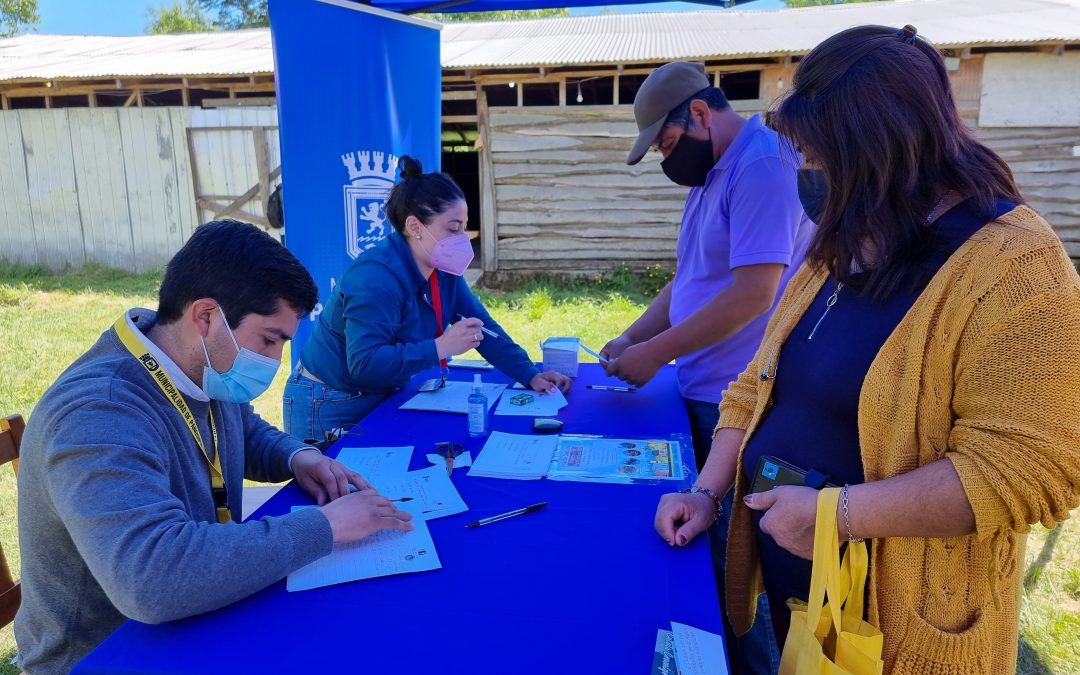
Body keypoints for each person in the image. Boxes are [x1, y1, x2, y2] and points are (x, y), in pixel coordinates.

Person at [654, 25, 1080, 675]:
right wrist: (708, 490)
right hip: (810, 599)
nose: (807, 177)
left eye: (821, 159)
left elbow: (1030, 471)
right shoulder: (851, 240)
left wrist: (841, 515)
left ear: (885, 150)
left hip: (905, 629)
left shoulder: (1016, 265)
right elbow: (758, 382)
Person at [15, 220, 414, 674]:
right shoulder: (97, 413)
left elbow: (239, 428)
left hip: (190, 615)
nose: (274, 360)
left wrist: (296, 456)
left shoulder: (192, 361)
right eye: (269, 339)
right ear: (206, 316)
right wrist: (325, 527)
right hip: (107, 652)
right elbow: (152, 578)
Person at [608, 60, 813, 673]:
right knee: (701, 548)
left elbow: (754, 293)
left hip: (740, 399)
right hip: (700, 391)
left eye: (669, 145)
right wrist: (630, 338)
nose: (669, 162)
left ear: (699, 114)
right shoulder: (713, 175)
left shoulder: (760, 166)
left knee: (735, 566)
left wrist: (654, 354)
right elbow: (691, 280)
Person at [284, 156, 569, 442]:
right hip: (330, 402)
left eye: (464, 226)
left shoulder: (442, 269)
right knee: (333, 486)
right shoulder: (375, 278)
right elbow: (365, 363)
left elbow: (481, 327)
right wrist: (441, 346)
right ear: (415, 227)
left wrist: (530, 374)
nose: (463, 238)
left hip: (385, 393)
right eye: (453, 227)